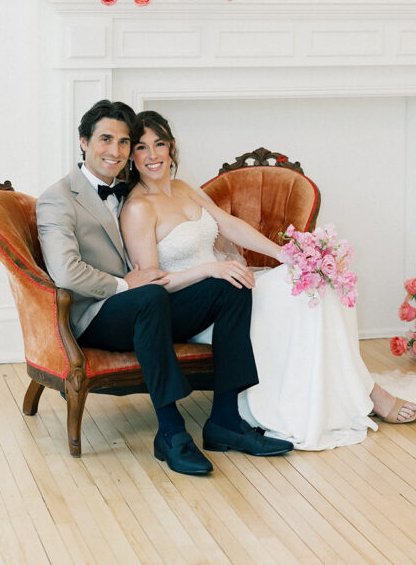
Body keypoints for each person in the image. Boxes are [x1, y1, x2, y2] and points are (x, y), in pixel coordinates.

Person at [120, 109, 416, 453]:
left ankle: (357, 391)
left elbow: (229, 226)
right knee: (294, 293)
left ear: (172, 147)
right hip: (194, 306)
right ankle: (367, 394)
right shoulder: (138, 208)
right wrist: (209, 270)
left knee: (317, 283)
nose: (152, 155)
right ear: (131, 156)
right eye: (142, 148)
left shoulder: (182, 189)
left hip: (226, 285)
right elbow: (152, 286)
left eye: (159, 144)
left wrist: (285, 254)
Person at [36, 99, 293, 476]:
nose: (116, 151)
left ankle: (225, 421)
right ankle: (171, 432)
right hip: (96, 314)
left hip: (148, 307)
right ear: (83, 142)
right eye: (106, 139)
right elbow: (66, 273)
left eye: (124, 142)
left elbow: (215, 228)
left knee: (231, 284)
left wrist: (273, 256)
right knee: (151, 294)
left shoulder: (129, 189)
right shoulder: (57, 199)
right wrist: (125, 284)